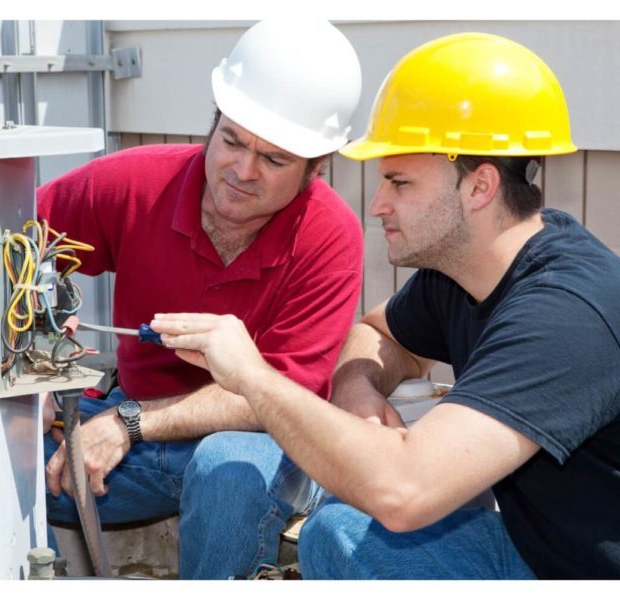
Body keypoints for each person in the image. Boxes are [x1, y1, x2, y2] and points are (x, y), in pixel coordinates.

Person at [152, 32, 620, 579]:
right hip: (533, 547)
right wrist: (357, 390)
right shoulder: (466, 270)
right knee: (336, 534)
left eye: (398, 182)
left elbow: (404, 493)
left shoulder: (565, 316)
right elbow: (380, 332)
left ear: (479, 187)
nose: (377, 205)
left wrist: (252, 376)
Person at [36, 19, 364, 579]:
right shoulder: (135, 184)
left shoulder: (331, 236)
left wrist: (128, 422)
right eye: (232, 140)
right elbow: (4, 248)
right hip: (121, 441)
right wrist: (32, 371)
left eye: (275, 159)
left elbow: (282, 397)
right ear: (213, 122)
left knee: (227, 469)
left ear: (318, 167)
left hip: (251, 447)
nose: (242, 170)